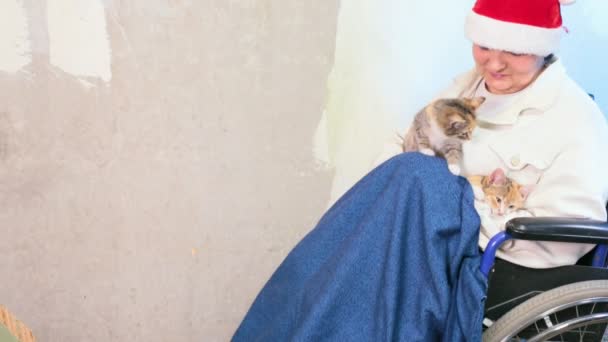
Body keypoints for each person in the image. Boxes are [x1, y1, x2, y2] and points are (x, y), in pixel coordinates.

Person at [233, 0, 608, 340]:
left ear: (542, 47)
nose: (494, 63)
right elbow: (402, 150)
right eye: (484, 46)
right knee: (370, 224)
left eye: (513, 50)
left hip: (487, 260)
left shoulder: (576, 119)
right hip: (422, 238)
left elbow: (562, 242)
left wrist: (454, 212)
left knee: (414, 190)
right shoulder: (467, 87)